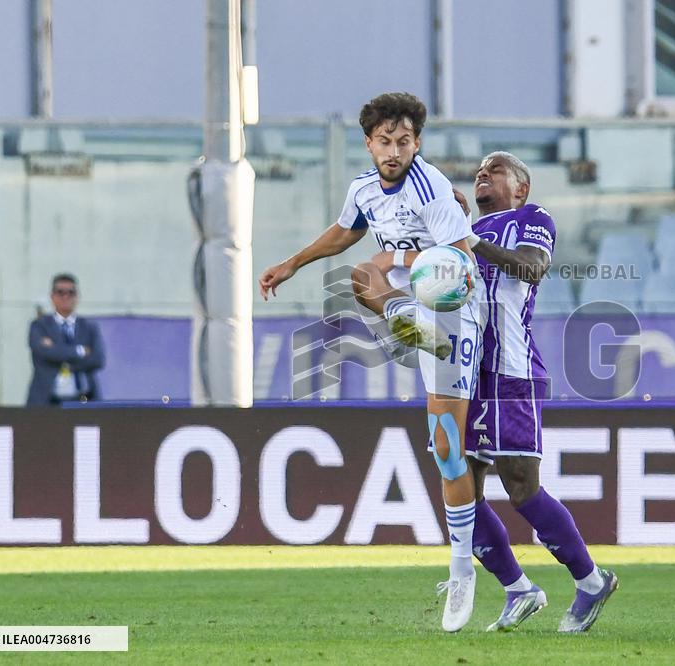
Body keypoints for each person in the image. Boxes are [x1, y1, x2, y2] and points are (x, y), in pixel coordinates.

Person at [258, 92, 484, 633]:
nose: (394, 150)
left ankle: (461, 572)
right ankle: (409, 324)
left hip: (454, 311)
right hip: (416, 309)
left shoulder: (430, 188)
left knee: (449, 449)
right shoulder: (365, 189)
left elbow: (464, 258)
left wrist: (402, 257)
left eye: (404, 141)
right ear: (369, 143)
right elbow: (345, 232)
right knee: (361, 274)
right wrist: (291, 263)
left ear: (417, 143)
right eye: (385, 141)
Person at [452, 152, 618, 633]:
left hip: (511, 373)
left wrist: (471, 240)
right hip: (465, 375)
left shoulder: (532, 217)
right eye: (480, 170)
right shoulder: (461, 234)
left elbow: (531, 268)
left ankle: (590, 582)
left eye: (496, 169)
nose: (483, 173)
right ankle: (517, 588)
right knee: (460, 488)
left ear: (521, 188)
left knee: (521, 488)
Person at [27, 274, 106, 406]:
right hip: (47, 402)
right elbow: (44, 352)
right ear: (52, 297)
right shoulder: (40, 326)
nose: (66, 297)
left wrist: (59, 355)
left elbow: (98, 359)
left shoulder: (89, 327)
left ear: (77, 296)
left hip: (84, 399)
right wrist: (79, 351)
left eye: (71, 292)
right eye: (60, 292)